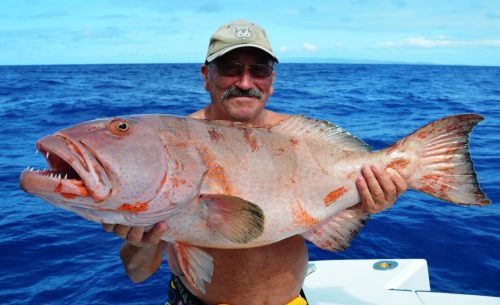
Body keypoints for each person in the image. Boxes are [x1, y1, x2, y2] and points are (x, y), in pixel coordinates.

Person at [103, 20, 408, 305]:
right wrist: (142, 242)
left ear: (271, 81)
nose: (245, 82)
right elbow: (137, 273)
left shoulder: (299, 138)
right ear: (205, 76)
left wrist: (365, 201)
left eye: (258, 70)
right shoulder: (172, 147)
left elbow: (327, 224)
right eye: (230, 69)